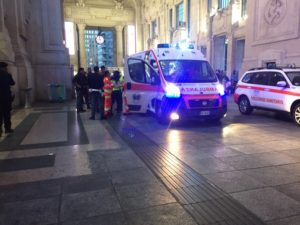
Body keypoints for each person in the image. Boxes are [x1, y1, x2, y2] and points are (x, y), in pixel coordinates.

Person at [0, 62, 15, 136]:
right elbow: (12, 83)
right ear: (4, 68)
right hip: (6, 98)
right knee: (7, 114)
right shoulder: (7, 75)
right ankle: (7, 129)